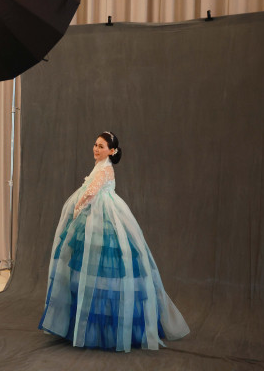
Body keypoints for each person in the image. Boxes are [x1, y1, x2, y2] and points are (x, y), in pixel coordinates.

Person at [39, 132, 189, 352]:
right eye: (95, 145)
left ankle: (104, 327)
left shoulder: (106, 169)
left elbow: (91, 193)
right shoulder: (100, 166)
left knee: (103, 265)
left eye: (101, 146)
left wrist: (77, 208)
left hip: (104, 217)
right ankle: (85, 322)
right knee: (89, 266)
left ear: (112, 151)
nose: (96, 149)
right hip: (95, 217)